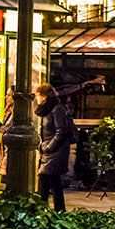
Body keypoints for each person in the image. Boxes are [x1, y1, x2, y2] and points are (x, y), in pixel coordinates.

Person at [35, 83, 74, 211]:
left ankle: (42, 210)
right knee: (54, 182)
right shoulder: (48, 109)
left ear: (45, 96)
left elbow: (61, 131)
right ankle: (58, 211)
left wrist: (49, 147)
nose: (37, 99)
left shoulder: (57, 109)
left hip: (55, 152)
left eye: (38, 96)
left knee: (45, 180)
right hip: (51, 152)